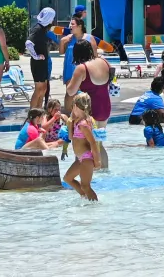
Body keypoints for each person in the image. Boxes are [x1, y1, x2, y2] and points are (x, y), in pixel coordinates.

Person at [63, 40, 114, 171]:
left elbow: (71, 91)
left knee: (83, 144)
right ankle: (104, 172)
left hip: (89, 110)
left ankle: (86, 174)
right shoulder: (104, 62)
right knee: (99, 144)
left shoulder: (82, 68)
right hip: (105, 107)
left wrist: (71, 82)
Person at [61, 92, 98, 201]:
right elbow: (71, 137)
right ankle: (85, 198)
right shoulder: (77, 122)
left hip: (86, 157)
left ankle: (96, 206)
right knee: (67, 178)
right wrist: (70, 124)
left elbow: (93, 143)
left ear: (75, 106)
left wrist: (97, 160)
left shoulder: (84, 124)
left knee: (85, 186)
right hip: (80, 158)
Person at [26, 8, 57, 110]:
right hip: (38, 63)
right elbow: (28, 43)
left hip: (43, 63)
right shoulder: (38, 28)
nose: (53, 20)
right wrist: (36, 56)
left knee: (43, 88)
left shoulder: (43, 29)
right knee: (39, 89)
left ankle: (39, 111)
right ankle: (32, 112)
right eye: (52, 17)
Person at [58, 11, 95, 85]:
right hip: (70, 71)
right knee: (70, 91)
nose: (70, 26)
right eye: (70, 24)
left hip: (85, 71)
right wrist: (62, 42)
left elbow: (95, 56)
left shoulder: (89, 38)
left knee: (84, 91)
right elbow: (61, 52)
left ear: (80, 26)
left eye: (72, 24)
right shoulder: (68, 39)